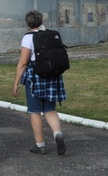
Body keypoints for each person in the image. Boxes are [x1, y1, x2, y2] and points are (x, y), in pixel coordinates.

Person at [12, 10, 67, 156]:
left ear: (27, 23)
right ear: (41, 21)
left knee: (35, 111)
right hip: (53, 76)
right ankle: (57, 134)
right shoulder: (50, 34)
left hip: (35, 77)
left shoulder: (28, 37)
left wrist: (16, 82)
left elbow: (23, 62)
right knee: (50, 109)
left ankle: (40, 145)